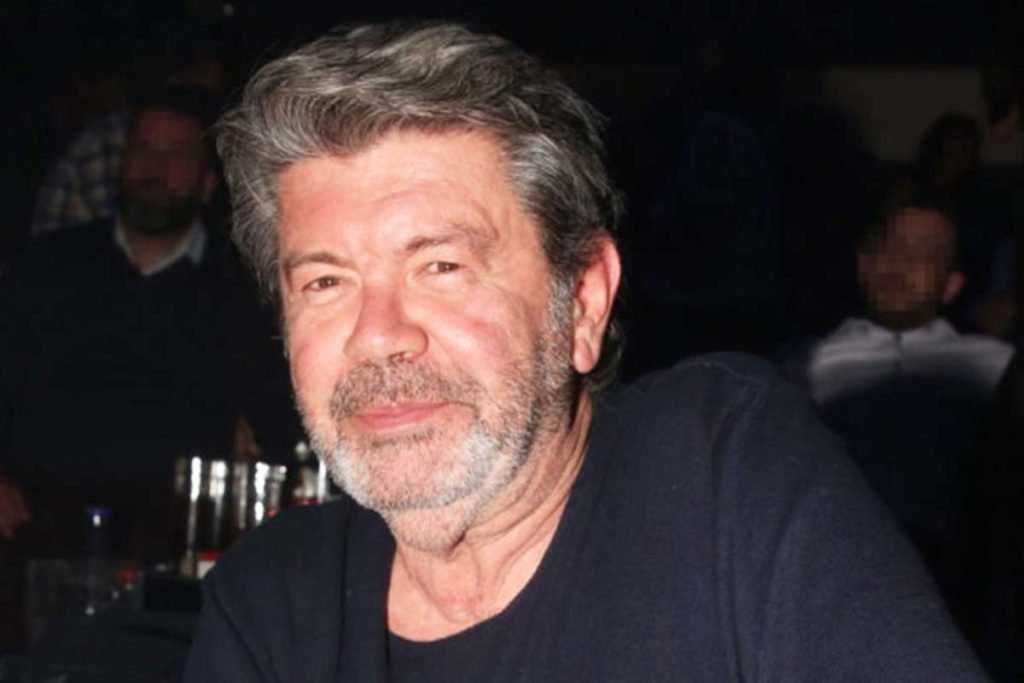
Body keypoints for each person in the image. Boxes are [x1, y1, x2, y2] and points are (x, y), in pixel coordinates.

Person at [184, 22, 988, 680]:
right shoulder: (269, 605)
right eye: (325, 281)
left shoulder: (720, 478)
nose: (377, 333)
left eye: (441, 266)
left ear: (584, 302)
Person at [0, 85, 288, 558]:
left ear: (208, 182)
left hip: (184, 551)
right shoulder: (47, 267)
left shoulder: (242, 290)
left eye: (175, 153)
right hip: (39, 537)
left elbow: (274, 428)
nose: (154, 167)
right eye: (143, 148)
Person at [787, 190, 1014, 639]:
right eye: (888, 247)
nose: (899, 262)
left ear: (951, 285)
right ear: (862, 264)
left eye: (923, 253)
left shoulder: (996, 366)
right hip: (831, 574)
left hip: (954, 586)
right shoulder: (803, 364)